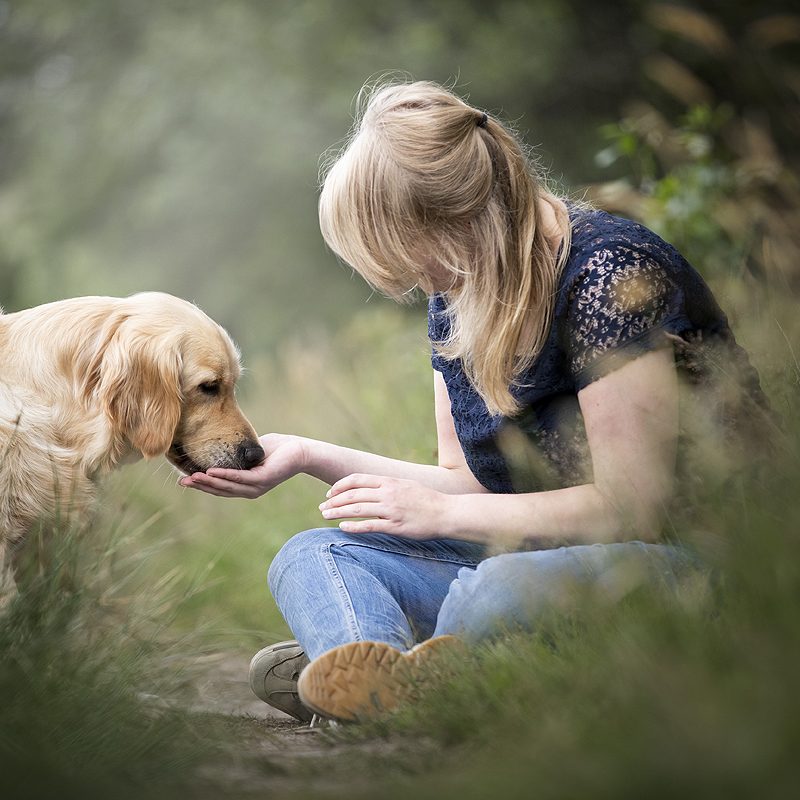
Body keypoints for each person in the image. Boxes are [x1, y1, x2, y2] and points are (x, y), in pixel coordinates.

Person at [180, 80, 772, 723]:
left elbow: (634, 508)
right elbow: (464, 482)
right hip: (534, 558)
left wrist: (437, 513)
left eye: (406, 255)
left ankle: (387, 677)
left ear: (458, 220)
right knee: (314, 554)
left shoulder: (608, 276)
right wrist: (305, 454)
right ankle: (390, 680)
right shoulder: (460, 293)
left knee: (494, 592)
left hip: (686, 562)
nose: (409, 282)